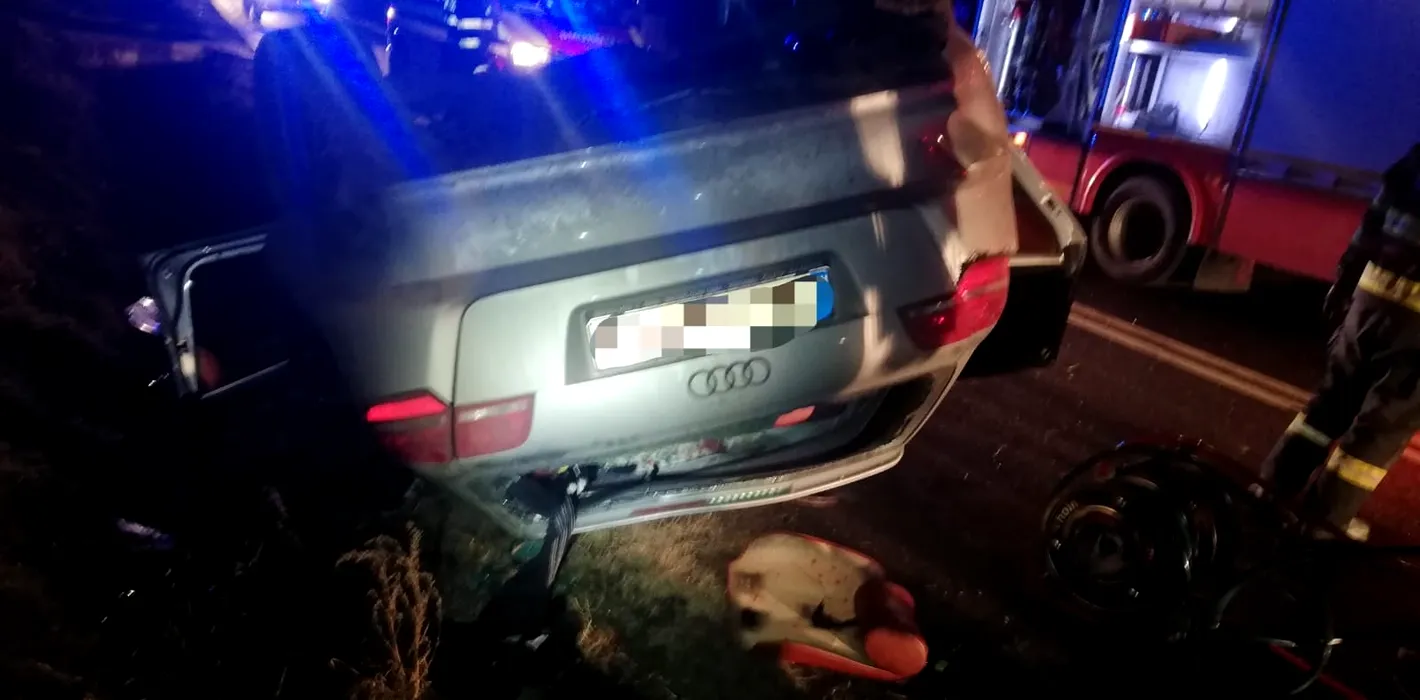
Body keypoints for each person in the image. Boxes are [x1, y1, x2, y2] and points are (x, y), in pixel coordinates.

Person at [1260, 143, 1420, 541]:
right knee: (1381, 427)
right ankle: (1323, 521)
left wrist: (1347, 276)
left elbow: (1377, 214)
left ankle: (1271, 490)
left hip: (1374, 292)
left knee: (1332, 400)